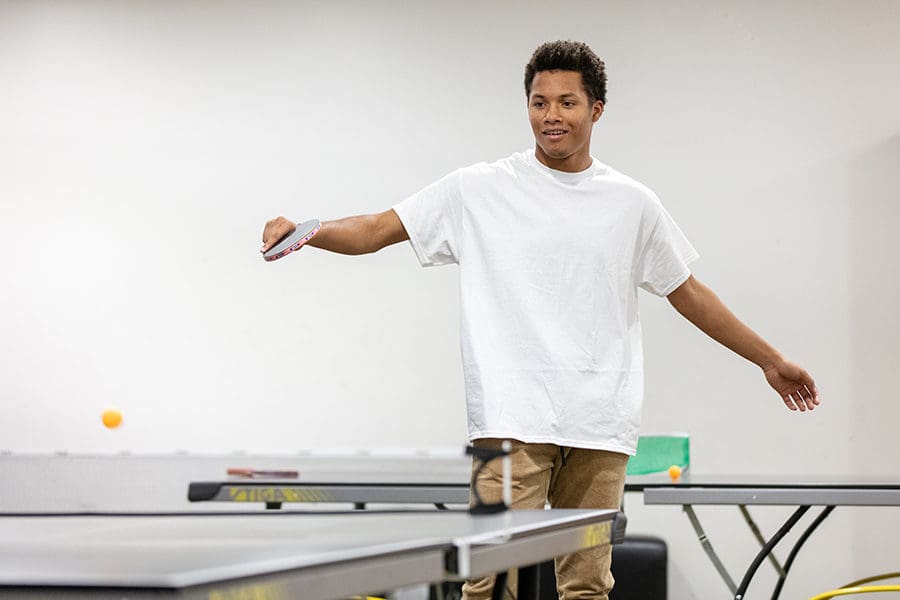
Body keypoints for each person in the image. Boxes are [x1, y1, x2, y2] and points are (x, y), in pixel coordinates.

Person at [260, 40, 819, 600]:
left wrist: (769, 361)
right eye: (539, 102)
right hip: (507, 419)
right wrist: (307, 232)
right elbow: (378, 228)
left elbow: (688, 293)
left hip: (600, 422)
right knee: (489, 585)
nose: (551, 116)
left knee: (587, 588)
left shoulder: (632, 203)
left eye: (567, 103)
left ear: (596, 109)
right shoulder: (478, 188)